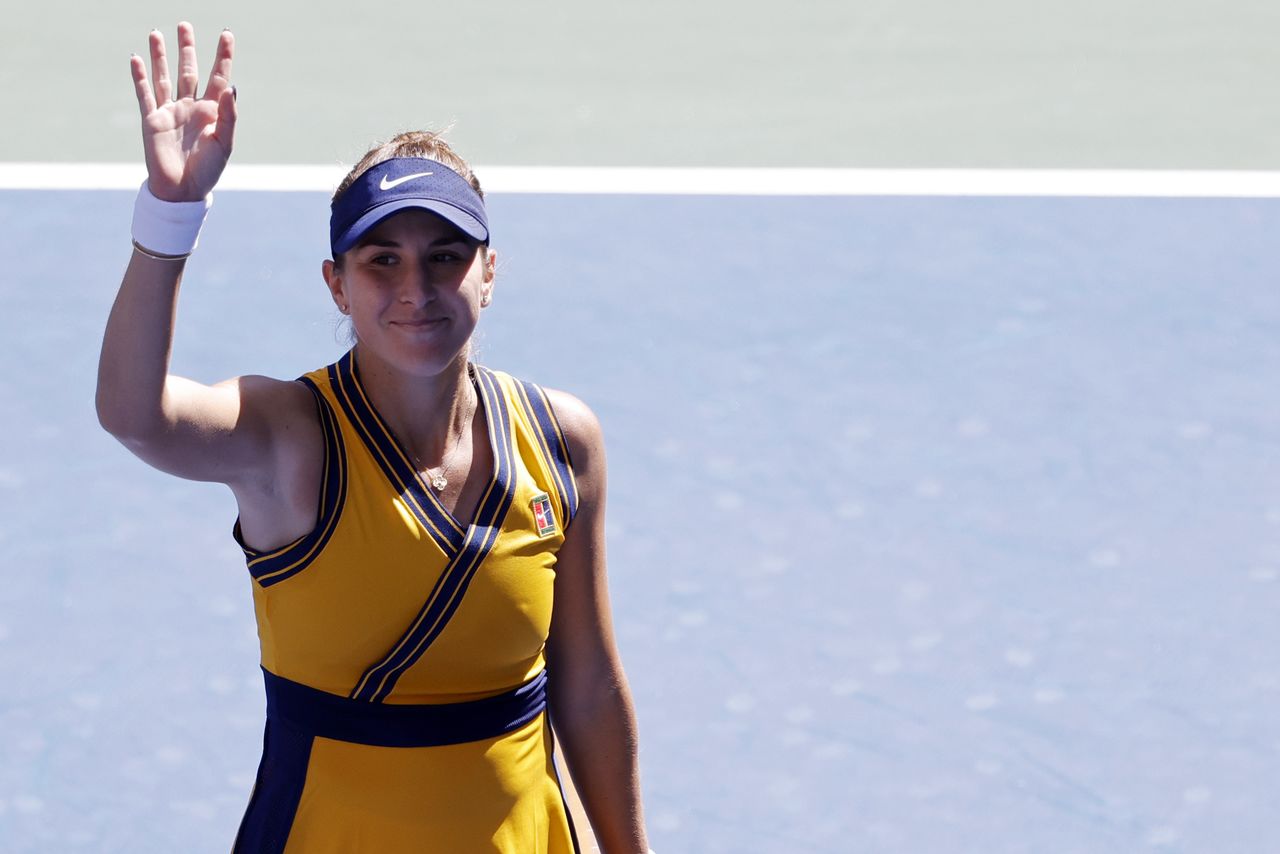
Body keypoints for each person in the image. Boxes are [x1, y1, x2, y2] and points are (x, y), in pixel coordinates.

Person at [96, 22, 651, 854]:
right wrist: (171, 213)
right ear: (338, 286)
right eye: (380, 261)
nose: (416, 288)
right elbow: (135, 414)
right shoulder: (288, 436)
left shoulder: (562, 440)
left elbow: (590, 688)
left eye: (445, 256)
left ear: (488, 273)